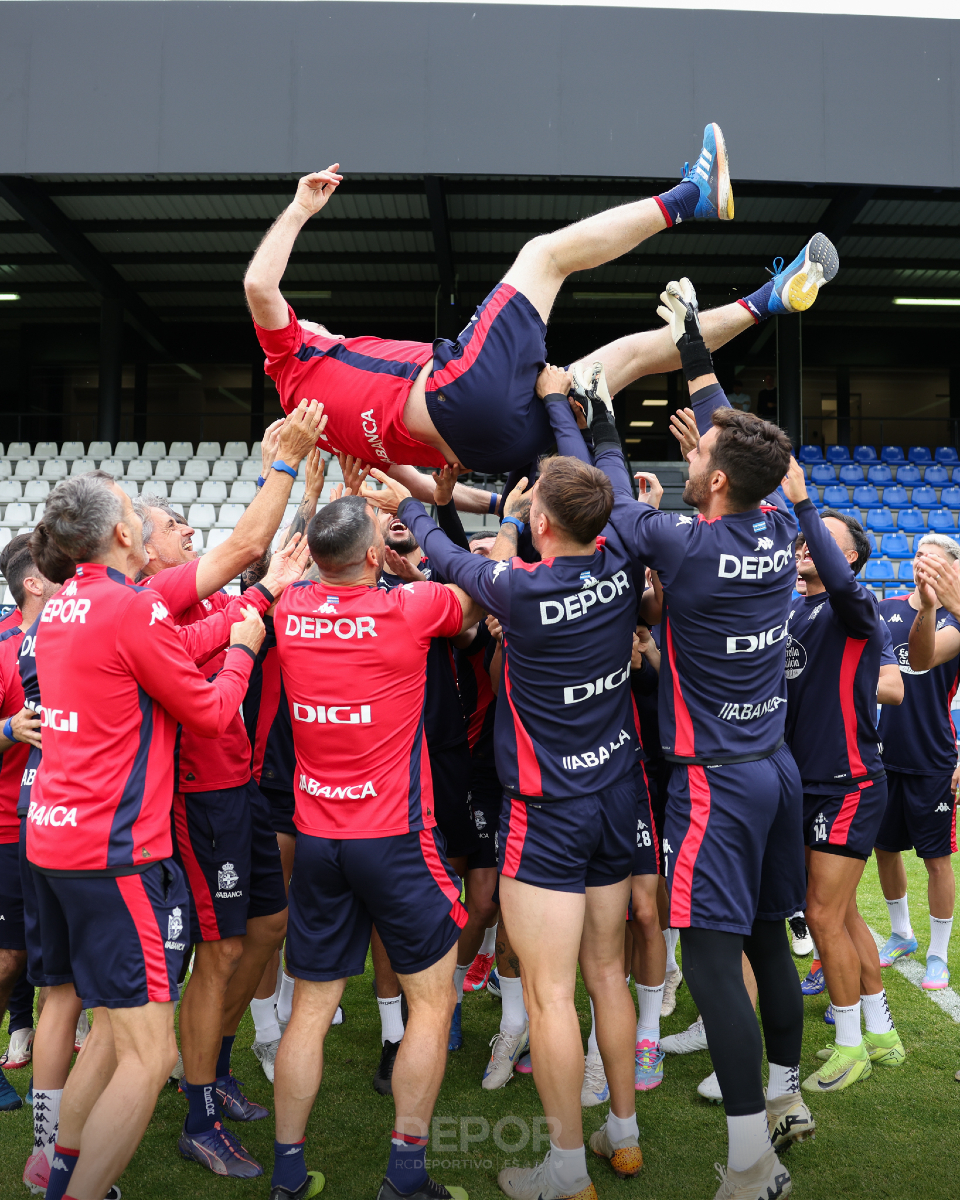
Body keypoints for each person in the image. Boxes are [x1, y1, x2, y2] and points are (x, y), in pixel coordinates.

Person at [375, 434, 649, 1199]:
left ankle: (564, 1171)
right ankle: (621, 1136)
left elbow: (433, 545)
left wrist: (401, 499)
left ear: (545, 526)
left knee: (549, 994)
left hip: (547, 810)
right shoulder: (623, 559)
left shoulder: (518, 590)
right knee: (606, 974)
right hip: (616, 794)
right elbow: (618, 486)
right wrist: (583, 421)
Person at [243, 128, 836, 480]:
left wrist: (466, 499)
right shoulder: (292, 358)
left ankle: (769, 299)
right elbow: (259, 289)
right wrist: (299, 210)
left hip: (503, 446)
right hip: (462, 394)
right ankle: (692, 197)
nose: (310, 321)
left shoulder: (320, 428)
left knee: (621, 360)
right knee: (544, 256)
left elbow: (418, 484)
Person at [601, 277, 812, 1199]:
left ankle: (749, 1163)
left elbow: (608, 501)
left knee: (708, 959)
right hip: (773, 768)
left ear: (716, 479)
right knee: (767, 934)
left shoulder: (687, 544)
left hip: (718, 783)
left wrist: (592, 410)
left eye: (703, 459)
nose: (694, 456)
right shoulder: (772, 519)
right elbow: (729, 426)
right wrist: (691, 344)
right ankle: (785, 1095)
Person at [23, 474, 268, 1200]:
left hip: (57, 841)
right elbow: (213, 714)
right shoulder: (127, 608)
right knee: (151, 1052)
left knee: (111, 1030)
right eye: (137, 512)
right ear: (125, 536)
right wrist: (246, 646)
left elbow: (156, 649)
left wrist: (239, 612)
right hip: (116, 854)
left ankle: (62, 1172)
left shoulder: (64, 602)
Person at [270, 492, 482, 1200]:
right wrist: (410, 554)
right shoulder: (409, 607)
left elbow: (294, 566)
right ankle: (406, 1173)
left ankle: (289, 1175)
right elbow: (473, 601)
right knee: (433, 1002)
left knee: (309, 1008)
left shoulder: (287, 608)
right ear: (370, 556)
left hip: (320, 840)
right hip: (394, 838)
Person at [133, 403, 325, 1177]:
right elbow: (251, 588)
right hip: (199, 800)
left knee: (268, 930)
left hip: (241, 786)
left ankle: (207, 1060)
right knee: (218, 953)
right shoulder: (152, 615)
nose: (186, 528)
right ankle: (199, 1111)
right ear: (140, 553)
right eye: (172, 523)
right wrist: (256, 606)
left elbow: (271, 560)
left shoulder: (197, 594)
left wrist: (305, 495)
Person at [777, 488, 907, 1091]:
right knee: (843, 912)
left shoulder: (857, 607)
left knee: (823, 914)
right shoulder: (794, 608)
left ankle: (849, 1043)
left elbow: (836, 575)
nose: (810, 542)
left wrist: (805, 505)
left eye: (827, 539)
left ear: (849, 559)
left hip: (846, 783)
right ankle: (880, 1029)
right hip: (805, 783)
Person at [874, 534, 960, 991]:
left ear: (951, 569)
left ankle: (937, 955)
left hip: (933, 759)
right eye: (918, 557)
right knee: (884, 850)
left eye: (933, 560)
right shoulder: (884, 609)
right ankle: (901, 934)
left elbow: (926, 660)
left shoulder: (957, 620)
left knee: (936, 859)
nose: (922, 565)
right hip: (883, 755)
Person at [0, 541, 44, 1113]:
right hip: (9, 826)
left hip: (64, 824)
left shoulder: (74, 630)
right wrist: (10, 728)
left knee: (55, 954)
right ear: (34, 582)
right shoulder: (4, 646)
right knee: (10, 956)